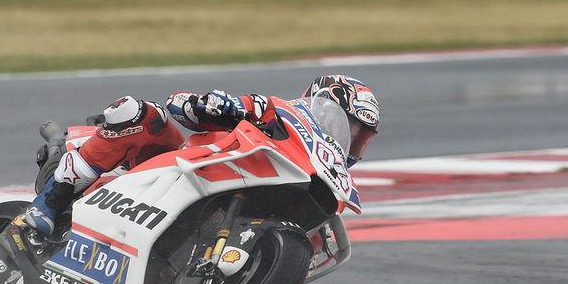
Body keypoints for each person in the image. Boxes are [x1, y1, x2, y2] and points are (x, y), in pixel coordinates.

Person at [23, 75, 380, 234]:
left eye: (360, 138)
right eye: (348, 127)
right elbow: (180, 106)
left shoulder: (322, 171)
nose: (351, 141)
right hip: (181, 166)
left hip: (210, 200)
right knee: (135, 112)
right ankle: (51, 202)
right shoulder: (275, 110)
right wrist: (208, 104)